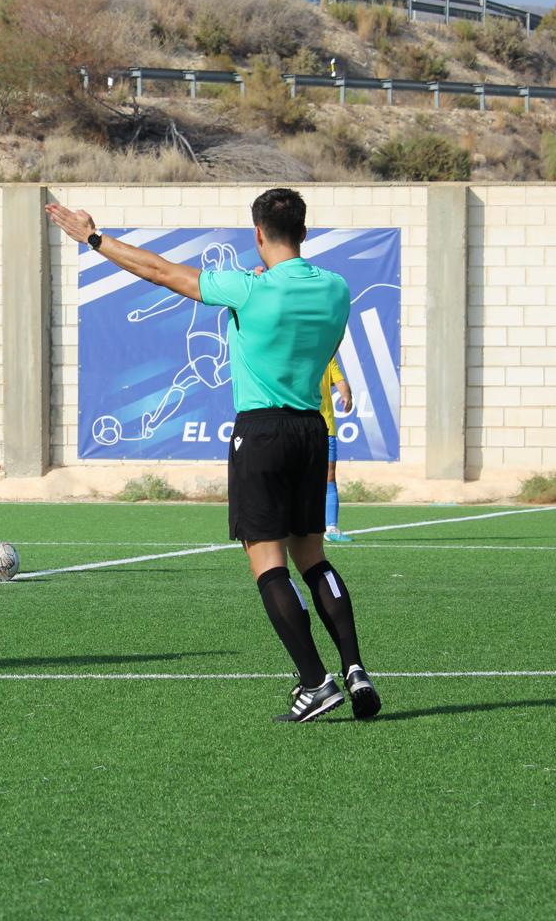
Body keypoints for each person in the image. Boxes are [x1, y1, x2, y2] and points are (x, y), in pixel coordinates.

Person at [47, 190, 380, 722]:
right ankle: (356, 668)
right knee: (313, 557)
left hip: (262, 431)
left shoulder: (247, 288)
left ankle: (316, 682)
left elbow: (160, 271)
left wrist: (93, 236)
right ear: (304, 231)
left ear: (257, 233)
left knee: (268, 562)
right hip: (310, 431)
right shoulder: (336, 288)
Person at [321, 356, 355, 543]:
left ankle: (331, 527)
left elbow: (340, 380)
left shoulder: (327, 354)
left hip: (325, 427)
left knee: (329, 475)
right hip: (297, 425)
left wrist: (346, 395)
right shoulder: (293, 350)